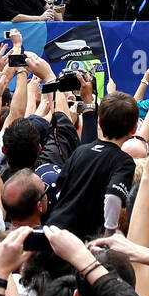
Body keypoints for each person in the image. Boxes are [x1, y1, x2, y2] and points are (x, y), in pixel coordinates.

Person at [48, 90, 137, 239]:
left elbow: (60, 186)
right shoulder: (124, 162)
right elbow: (112, 196)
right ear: (134, 129)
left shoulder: (80, 151)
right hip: (79, 241)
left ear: (99, 122)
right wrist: (109, 235)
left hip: (53, 230)